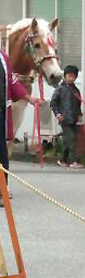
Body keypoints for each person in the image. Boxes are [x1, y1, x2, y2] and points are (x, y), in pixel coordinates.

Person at [0, 50, 40, 207]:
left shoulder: (3, 57)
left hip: (1, 112)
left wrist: (29, 98)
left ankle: (2, 191)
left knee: (2, 153)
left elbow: (12, 81)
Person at [50, 65, 83, 168]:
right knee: (71, 139)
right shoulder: (60, 89)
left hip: (73, 118)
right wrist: (57, 114)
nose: (71, 78)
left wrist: (79, 114)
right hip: (64, 118)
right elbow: (53, 103)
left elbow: (78, 104)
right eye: (69, 76)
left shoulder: (76, 90)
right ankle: (73, 161)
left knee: (68, 140)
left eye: (73, 76)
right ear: (64, 76)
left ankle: (63, 159)